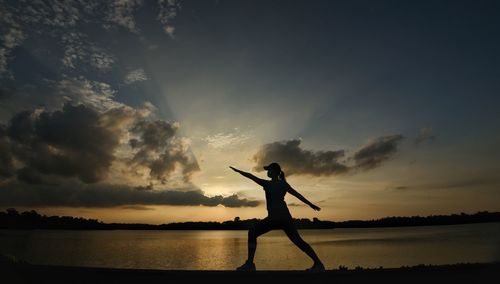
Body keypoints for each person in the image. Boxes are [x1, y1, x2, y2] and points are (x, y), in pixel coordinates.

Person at [229, 162, 325, 272]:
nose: (268, 172)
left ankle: (250, 264)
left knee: (252, 232)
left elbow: (251, 176)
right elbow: (297, 195)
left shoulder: (268, 184)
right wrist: (310, 204)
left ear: (274, 171)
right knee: (298, 241)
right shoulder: (282, 184)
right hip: (285, 218)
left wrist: (238, 171)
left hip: (275, 218)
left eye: (269, 170)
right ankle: (319, 264)